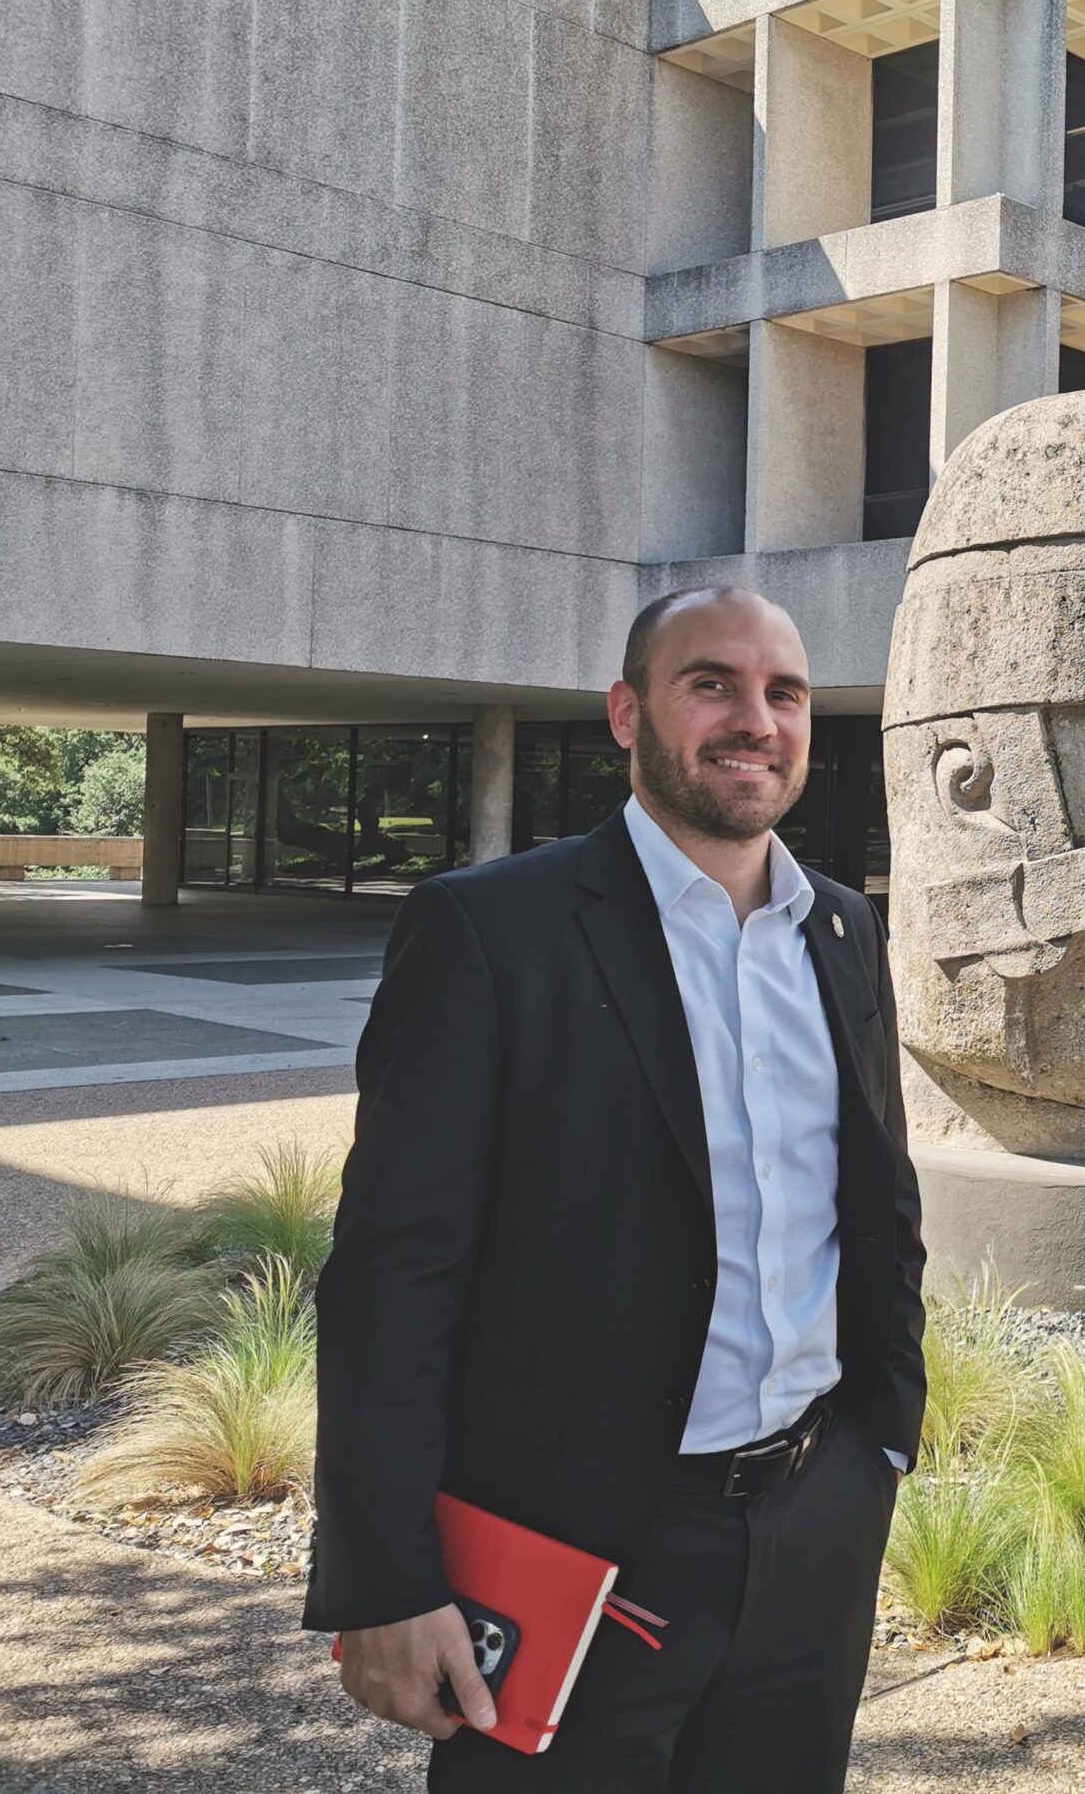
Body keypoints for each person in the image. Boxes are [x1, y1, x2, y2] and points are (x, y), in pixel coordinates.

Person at [306, 585, 926, 1791]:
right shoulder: (489, 932)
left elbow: (878, 1211)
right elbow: (393, 1275)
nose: (756, 719)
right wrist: (386, 1578)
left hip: (813, 1528)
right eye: (713, 683)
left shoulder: (843, 931)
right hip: (573, 1545)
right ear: (626, 714)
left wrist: (879, 1451)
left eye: (784, 692)